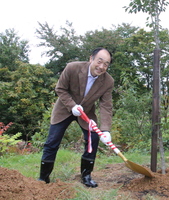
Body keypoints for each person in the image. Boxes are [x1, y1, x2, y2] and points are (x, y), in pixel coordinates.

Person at [38, 47, 114, 188]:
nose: (102, 66)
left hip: (87, 113)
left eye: (106, 64)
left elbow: (106, 106)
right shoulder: (72, 68)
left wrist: (105, 129)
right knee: (52, 142)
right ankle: (43, 178)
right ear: (91, 58)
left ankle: (86, 176)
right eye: (100, 61)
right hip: (64, 109)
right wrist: (72, 105)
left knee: (94, 139)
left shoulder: (108, 81)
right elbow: (60, 88)